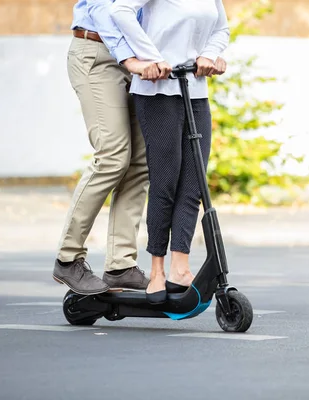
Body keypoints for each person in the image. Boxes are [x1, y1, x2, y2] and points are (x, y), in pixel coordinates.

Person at [111, 0, 230, 303]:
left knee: (193, 183)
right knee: (165, 182)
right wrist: (151, 58)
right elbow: (119, 10)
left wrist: (209, 55)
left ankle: (180, 266)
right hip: (157, 91)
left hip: (195, 89)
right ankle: (156, 271)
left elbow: (221, 28)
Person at [52, 0, 158, 295]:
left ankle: (121, 266)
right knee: (113, 155)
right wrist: (129, 60)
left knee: (139, 162)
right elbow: (103, 10)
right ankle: (68, 258)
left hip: (137, 59)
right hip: (97, 54)